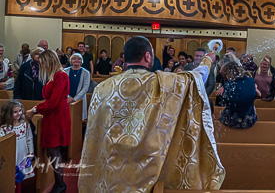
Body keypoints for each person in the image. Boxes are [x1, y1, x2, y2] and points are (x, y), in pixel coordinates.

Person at [78, 36, 224, 191]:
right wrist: (207, 60)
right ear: (148, 56)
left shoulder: (103, 88)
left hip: (113, 166)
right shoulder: (163, 83)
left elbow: (95, 134)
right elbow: (196, 78)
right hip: (147, 166)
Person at [26, 50, 71, 193]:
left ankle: (60, 184)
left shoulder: (61, 75)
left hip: (57, 116)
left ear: (49, 61)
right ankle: (59, 183)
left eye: (42, 63)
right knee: (52, 150)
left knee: (53, 149)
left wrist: (34, 110)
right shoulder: (53, 75)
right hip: (52, 115)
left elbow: (52, 102)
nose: (41, 66)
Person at [0, 100, 34, 193]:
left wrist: (30, 153)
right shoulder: (4, 128)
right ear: (7, 114)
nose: (19, 113)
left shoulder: (25, 124)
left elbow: (29, 139)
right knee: (10, 177)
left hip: (22, 154)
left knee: (19, 176)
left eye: (20, 110)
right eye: (15, 112)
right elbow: (3, 145)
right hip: (11, 156)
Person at [218, 61, 258, 128]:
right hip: (249, 119)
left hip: (232, 121)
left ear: (228, 73)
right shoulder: (251, 81)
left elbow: (227, 102)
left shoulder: (229, 85)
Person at [64, 53, 90, 120]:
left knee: (77, 120)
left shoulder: (86, 72)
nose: (76, 60)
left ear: (81, 61)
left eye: (78, 59)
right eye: (74, 59)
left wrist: (74, 99)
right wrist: (68, 97)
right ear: (70, 61)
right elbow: (62, 86)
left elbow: (85, 88)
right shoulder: (65, 71)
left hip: (79, 100)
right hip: (66, 99)